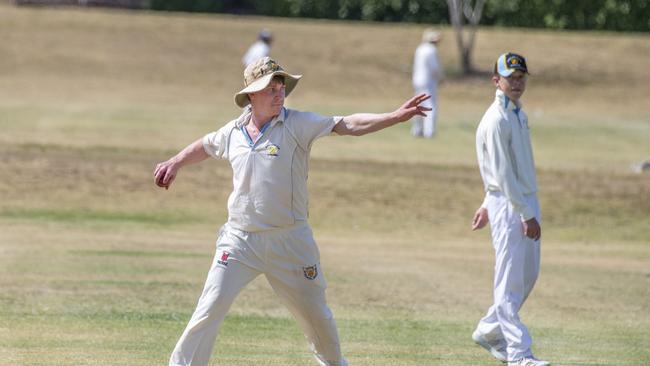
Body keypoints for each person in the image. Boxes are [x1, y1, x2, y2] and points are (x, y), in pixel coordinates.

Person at [154, 56, 430, 366]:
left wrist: (393, 116)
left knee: (316, 318)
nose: (279, 93)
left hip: (290, 242)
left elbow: (347, 124)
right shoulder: (233, 132)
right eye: (270, 88)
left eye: (281, 86)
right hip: (240, 241)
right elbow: (206, 145)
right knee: (208, 310)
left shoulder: (298, 124)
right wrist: (175, 161)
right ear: (251, 95)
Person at [470, 53, 550, 366]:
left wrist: (493, 203)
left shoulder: (517, 113)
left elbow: (504, 169)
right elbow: (500, 174)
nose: (516, 83)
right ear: (496, 80)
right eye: (510, 78)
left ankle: (489, 330)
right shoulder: (496, 119)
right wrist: (520, 211)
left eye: (521, 78)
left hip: (522, 199)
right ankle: (519, 353)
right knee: (508, 281)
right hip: (511, 205)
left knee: (527, 276)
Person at [411, 28, 443, 138]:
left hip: (417, 80)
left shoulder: (420, 49)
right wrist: (440, 78)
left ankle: (417, 130)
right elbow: (434, 68)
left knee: (417, 105)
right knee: (430, 106)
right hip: (428, 81)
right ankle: (429, 131)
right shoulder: (431, 50)